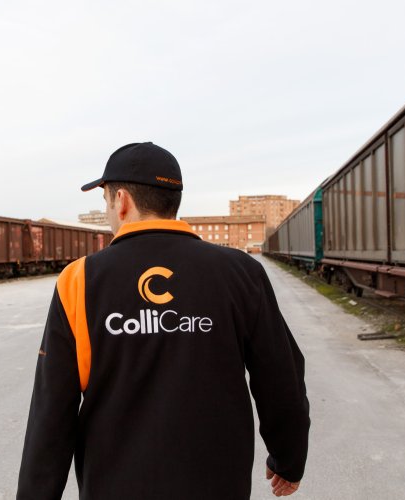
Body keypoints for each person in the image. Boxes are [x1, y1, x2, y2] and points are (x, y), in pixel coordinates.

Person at [17, 142, 309, 499]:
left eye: (105, 200)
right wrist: (288, 458)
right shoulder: (241, 272)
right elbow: (281, 375)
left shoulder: (80, 279)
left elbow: (52, 410)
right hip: (218, 485)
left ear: (121, 200)